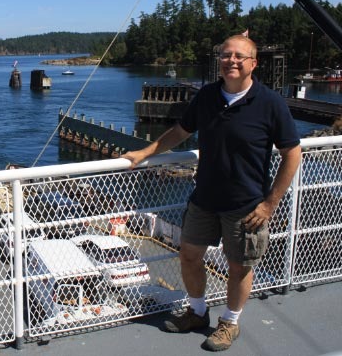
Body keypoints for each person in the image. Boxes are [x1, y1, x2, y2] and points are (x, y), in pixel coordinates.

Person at [122, 34, 301, 351]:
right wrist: (145, 152)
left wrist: (270, 204)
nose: (231, 60)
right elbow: (181, 131)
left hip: (246, 205)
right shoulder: (207, 96)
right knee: (189, 256)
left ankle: (229, 323)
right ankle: (197, 312)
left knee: (239, 267)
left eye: (239, 56)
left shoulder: (270, 103)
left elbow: (292, 153)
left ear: (253, 63)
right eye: (225, 55)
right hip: (204, 199)